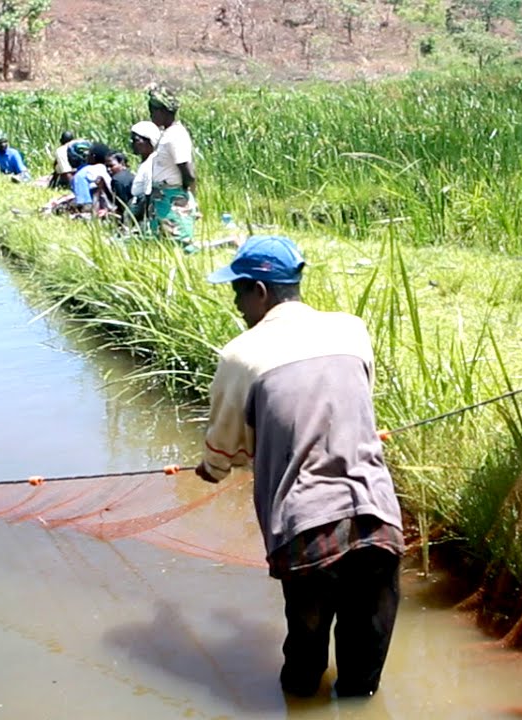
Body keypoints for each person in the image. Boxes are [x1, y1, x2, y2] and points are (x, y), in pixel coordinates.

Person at [194, 236, 404, 699]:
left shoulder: (240, 355)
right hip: (378, 519)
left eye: (239, 290)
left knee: (304, 666)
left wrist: (209, 469)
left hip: (308, 531)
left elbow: (221, 455)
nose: (236, 302)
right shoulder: (352, 330)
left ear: (261, 292)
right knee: (362, 674)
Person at [147, 84, 197, 247]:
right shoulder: (167, 134)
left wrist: (184, 196)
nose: (150, 114)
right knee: (162, 244)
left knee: (179, 244)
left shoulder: (176, 135)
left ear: (162, 111)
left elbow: (187, 171)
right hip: (162, 197)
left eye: (152, 110)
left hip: (172, 198)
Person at [128, 121, 161, 228]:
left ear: (150, 141)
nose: (132, 143)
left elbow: (148, 197)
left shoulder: (151, 164)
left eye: (136, 140)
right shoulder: (145, 163)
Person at [70, 143, 114, 216]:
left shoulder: (83, 172)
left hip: (96, 209)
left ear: (93, 157)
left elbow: (83, 203)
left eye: (89, 154)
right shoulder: (110, 169)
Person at [106, 152, 135, 218]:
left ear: (122, 163)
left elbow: (123, 204)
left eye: (111, 166)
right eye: (107, 166)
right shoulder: (131, 175)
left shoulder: (117, 180)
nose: (108, 169)